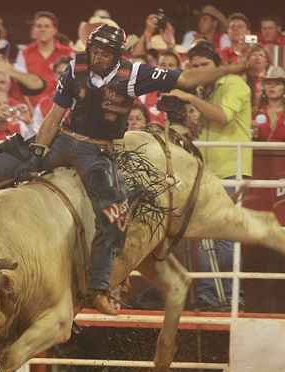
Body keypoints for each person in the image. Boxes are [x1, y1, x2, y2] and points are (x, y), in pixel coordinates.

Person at [24, 25, 246, 314]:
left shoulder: (135, 74)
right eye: (95, 49)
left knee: (113, 215)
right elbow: (55, 115)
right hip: (65, 140)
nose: (98, 55)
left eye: (105, 51)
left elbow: (188, 77)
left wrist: (228, 69)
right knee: (6, 161)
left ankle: (99, 287)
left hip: (98, 150)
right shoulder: (74, 67)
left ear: (117, 55)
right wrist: (38, 152)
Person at [166, 41, 251, 310]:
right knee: (208, 237)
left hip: (230, 169)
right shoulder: (204, 89)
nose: (200, 70)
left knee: (219, 236)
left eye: (205, 65)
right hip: (207, 171)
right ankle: (214, 297)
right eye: (194, 67)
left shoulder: (234, 84)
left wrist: (191, 99)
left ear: (218, 66)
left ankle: (221, 298)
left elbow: (224, 116)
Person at [14, 11, 73, 104]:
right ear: (33, 30)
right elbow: (21, 85)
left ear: (54, 30)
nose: (42, 29)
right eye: (39, 26)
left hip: (60, 107)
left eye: (47, 26)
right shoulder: (24, 53)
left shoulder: (68, 53)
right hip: (32, 108)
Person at [253, 66, 285, 141]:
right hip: (258, 152)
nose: (272, 86)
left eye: (277, 84)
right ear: (264, 88)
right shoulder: (255, 112)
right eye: (268, 83)